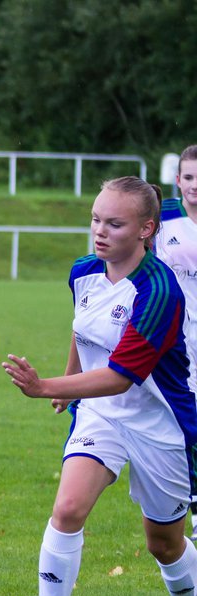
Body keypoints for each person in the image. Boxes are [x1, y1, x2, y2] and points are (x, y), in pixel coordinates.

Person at [4, 177, 197, 596]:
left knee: (164, 541)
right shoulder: (83, 272)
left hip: (161, 422)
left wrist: (47, 387)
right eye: (95, 219)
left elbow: (120, 377)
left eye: (115, 223)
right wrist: (70, 378)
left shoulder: (159, 290)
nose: (100, 231)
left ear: (146, 229)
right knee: (67, 509)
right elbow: (82, 329)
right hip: (100, 413)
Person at [156, 145, 197, 535]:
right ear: (178, 180)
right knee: (184, 418)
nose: (194, 185)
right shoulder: (163, 215)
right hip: (173, 337)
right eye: (188, 177)